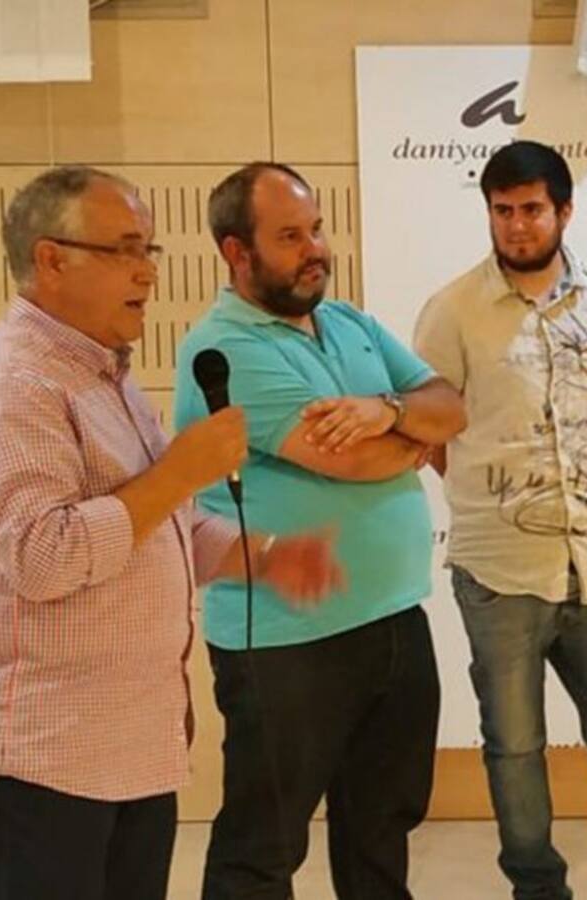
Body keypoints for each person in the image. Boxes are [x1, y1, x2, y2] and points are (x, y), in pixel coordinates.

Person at [0, 166, 340, 900]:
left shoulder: (99, 374)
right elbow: (42, 557)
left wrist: (264, 557)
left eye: (150, 249)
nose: (147, 271)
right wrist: (180, 472)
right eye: (123, 249)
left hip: (126, 748)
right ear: (51, 260)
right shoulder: (12, 386)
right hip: (42, 759)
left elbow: (153, 522)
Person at [174, 162, 466, 900]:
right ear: (237, 252)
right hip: (286, 641)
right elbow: (353, 461)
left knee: (381, 829)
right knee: (263, 848)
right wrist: (407, 432)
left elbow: (450, 407)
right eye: (290, 237)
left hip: (393, 618)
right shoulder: (225, 348)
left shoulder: (349, 323)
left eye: (317, 229)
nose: (316, 249)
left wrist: (388, 412)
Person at [414, 140, 587, 900]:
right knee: (515, 747)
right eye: (502, 211)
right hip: (498, 570)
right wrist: (502, 499)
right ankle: (537, 889)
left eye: (531, 209)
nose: (517, 225)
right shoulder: (453, 310)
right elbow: (434, 432)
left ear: (564, 210)